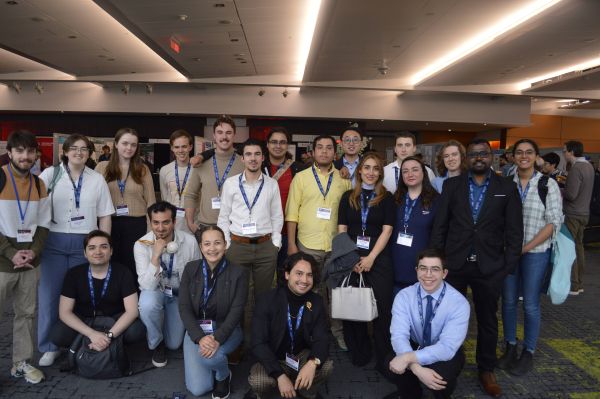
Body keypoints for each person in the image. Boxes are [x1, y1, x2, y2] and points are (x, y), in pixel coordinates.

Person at [430, 138, 523, 398]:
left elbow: (515, 232)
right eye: (473, 154)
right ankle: (450, 364)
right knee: (449, 319)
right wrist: (438, 263)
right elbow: (441, 226)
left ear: (492, 156)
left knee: (487, 321)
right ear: (466, 158)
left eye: (483, 153)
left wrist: (505, 267)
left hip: (490, 267)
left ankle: (486, 369)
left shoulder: (506, 187)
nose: (478, 158)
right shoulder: (452, 185)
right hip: (455, 264)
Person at [37, 134, 114, 367]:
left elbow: (105, 215)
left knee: (83, 297)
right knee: (49, 296)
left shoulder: (97, 179)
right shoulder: (50, 175)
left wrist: (104, 246)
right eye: (74, 148)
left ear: (90, 153)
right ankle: (49, 346)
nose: (79, 152)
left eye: (84, 149)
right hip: (53, 243)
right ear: (65, 151)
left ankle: (79, 342)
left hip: (86, 244)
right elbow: (34, 207)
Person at [498, 139, 562, 376]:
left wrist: (525, 247)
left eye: (529, 152)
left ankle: (529, 351)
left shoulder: (547, 184)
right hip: (509, 253)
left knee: (532, 304)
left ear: (536, 156)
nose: (524, 156)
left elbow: (553, 222)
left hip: (535, 253)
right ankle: (511, 346)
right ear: (513, 156)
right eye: (519, 152)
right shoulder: (506, 183)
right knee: (508, 301)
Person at [285, 135, 351, 350]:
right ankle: (308, 331)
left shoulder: (344, 180)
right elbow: (292, 213)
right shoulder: (301, 178)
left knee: (337, 293)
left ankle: (338, 332)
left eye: (329, 148)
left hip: (335, 247)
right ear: (312, 152)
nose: (324, 151)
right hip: (307, 244)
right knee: (307, 290)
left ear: (335, 153)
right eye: (320, 148)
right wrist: (292, 245)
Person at [0, 130, 50, 384]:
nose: (25, 156)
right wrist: (10, 252)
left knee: (26, 314)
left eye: (30, 151)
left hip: (30, 261)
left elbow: (43, 224)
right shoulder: (0, 177)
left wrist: (34, 251)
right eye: (20, 151)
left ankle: (21, 363)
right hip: (2, 262)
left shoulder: (39, 184)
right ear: (9, 153)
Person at [337, 153, 395, 370]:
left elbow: (387, 230)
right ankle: (359, 353)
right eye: (367, 168)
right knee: (353, 309)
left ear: (380, 173)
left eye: (376, 168)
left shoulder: (387, 198)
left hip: (379, 259)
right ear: (359, 171)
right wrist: (350, 257)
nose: (371, 172)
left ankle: (383, 357)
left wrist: (371, 257)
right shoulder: (347, 197)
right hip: (351, 258)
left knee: (382, 310)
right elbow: (342, 230)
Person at [247, 252, 333, 399]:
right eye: (299, 273)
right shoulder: (267, 300)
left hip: (300, 355)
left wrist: (312, 363)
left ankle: (306, 390)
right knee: (258, 382)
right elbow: (258, 343)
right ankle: (279, 384)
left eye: (309, 275)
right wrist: (279, 375)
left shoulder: (316, 301)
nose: (304, 280)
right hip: (273, 355)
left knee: (325, 366)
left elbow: (323, 337)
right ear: (287, 274)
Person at [388, 249, 470, 399]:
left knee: (441, 379)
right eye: (423, 268)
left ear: (444, 273)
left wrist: (407, 359)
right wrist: (417, 369)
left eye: (435, 269)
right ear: (416, 270)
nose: (428, 275)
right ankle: (411, 394)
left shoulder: (459, 303)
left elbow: (447, 347)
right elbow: (399, 335)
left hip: (443, 348)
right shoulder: (404, 296)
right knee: (391, 363)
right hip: (415, 344)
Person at [178, 226, 248, 398]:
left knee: (210, 358)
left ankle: (223, 376)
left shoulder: (239, 273)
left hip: (227, 329)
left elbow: (236, 312)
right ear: (201, 247)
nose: (212, 248)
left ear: (225, 245)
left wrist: (217, 338)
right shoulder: (190, 269)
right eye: (207, 244)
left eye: (217, 243)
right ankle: (215, 367)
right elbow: (184, 308)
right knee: (198, 389)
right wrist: (200, 337)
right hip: (197, 330)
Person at [49, 230, 144, 356]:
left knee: (136, 330)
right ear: (85, 253)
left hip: (113, 320)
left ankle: (103, 343)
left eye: (104, 247)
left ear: (111, 251)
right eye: (92, 248)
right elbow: (64, 312)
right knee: (58, 335)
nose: (98, 252)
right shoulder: (74, 274)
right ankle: (94, 342)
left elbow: (132, 311)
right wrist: (92, 334)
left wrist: (108, 336)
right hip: (85, 320)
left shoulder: (123, 272)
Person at [134, 201, 200, 367]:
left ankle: (166, 331)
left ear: (174, 222)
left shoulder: (190, 241)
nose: (161, 228)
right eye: (156, 222)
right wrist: (155, 257)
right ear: (150, 222)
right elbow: (146, 285)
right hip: (156, 291)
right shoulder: (140, 245)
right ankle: (157, 343)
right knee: (147, 304)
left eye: (165, 222)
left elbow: (198, 277)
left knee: (174, 344)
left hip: (179, 295)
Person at [217, 139, 283, 300]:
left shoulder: (272, 184)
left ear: (262, 158)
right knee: (237, 297)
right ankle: (238, 327)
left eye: (257, 154)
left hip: (265, 248)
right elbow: (223, 217)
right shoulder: (231, 184)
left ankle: (260, 326)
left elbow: (277, 215)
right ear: (242, 158)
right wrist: (227, 244)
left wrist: (275, 243)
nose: (253, 158)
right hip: (238, 247)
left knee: (264, 296)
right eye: (248, 154)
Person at [95, 128, 156, 278]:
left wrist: (151, 233)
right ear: (116, 144)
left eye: (133, 145)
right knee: (111, 265)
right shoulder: (102, 168)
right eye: (125, 143)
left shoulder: (143, 169)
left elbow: (151, 202)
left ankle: (133, 300)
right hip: (109, 224)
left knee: (134, 266)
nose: (129, 148)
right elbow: (93, 199)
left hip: (136, 225)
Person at [184, 115, 244, 240]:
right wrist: (190, 223)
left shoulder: (243, 163)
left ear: (234, 135)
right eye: (220, 132)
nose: (224, 137)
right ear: (214, 136)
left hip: (234, 228)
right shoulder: (201, 163)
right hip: (206, 227)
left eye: (228, 133)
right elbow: (191, 194)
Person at [262, 127, 304, 285]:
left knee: (286, 277)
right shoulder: (257, 166)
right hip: (264, 232)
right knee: (262, 280)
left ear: (287, 146)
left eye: (282, 142)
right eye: (274, 142)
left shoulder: (298, 169)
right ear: (267, 145)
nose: (278, 146)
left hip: (288, 233)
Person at [391, 156, 439, 293]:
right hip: (395, 265)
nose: (410, 174)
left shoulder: (436, 201)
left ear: (423, 173)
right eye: (405, 171)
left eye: (415, 170)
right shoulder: (394, 200)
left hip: (423, 268)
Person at [562, 140, 594, 295]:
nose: (564, 154)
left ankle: (574, 285)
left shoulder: (576, 169)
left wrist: (560, 190)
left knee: (569, 249)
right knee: (578, 248)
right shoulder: (589, 166)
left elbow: (571, 195)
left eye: (565, 151)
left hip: (573, 214)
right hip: (584, 213)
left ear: (572, 152)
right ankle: (579, 283)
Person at [159, 129, 196, 233]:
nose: (180, 150)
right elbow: (164, 197)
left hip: (193, 222)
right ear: (172, 148)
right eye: (177, 147)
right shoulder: (164, 170)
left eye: (184, 146)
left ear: (190, 147)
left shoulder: (198, 169)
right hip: (172, 223)